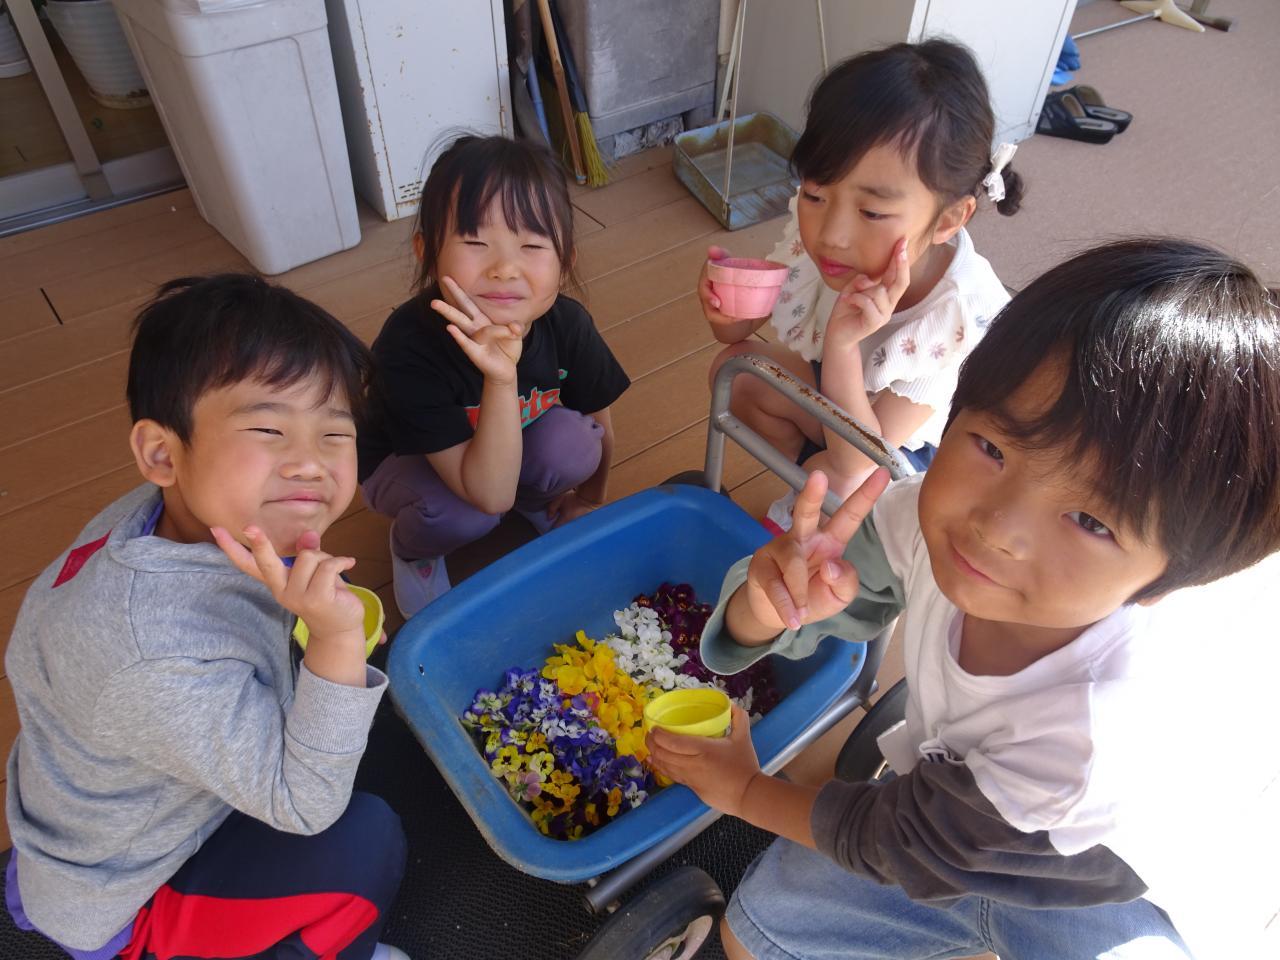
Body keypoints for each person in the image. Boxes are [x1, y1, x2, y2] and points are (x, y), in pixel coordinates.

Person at [651, 239, 1280, 960]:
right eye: (993, 448)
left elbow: (898, 841)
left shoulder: (1091, 733)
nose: (995, 528)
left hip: (1087, 875)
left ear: (1170, 580)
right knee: (754, 934)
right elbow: (797, 617)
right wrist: (769, 603)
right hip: (948, 808)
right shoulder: (919, 521)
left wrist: (744, 793)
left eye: (1090, 520)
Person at [5, 275, 410, 960]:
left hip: (101, 812)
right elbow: (305, 803)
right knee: (367, 841)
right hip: (132, 892)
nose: (310, 464)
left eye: (334, 434)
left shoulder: (165, 516)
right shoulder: (152, 652)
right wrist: (338, 639)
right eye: (269, 429)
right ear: (162, 453)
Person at [699, 40, 1020, 532]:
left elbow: (863, 461)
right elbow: (737, 333)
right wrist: (727, 309)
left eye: (871, 212)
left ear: (947, 220)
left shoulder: (957, 318)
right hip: (841, 406)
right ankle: (807, 483)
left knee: (842, 479)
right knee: (738, 370)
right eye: (814, 194)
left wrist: (843, 344)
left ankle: (828, 526)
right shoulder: (828, 234)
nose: (832, 234)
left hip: (906, 464)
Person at [358, 135, 631, 618]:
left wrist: (590, 500)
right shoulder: (409, 346)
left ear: (565, 261)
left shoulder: (565, 323)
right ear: (427, 253)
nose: (505, 268)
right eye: (475, 242)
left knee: (576, 443)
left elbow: (598, 414)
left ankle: (532, 500)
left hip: (500, 451)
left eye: (532, 245)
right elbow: (489, 496)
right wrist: (501, 379)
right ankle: (414, 548)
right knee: (465, 512)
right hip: (405, 462)